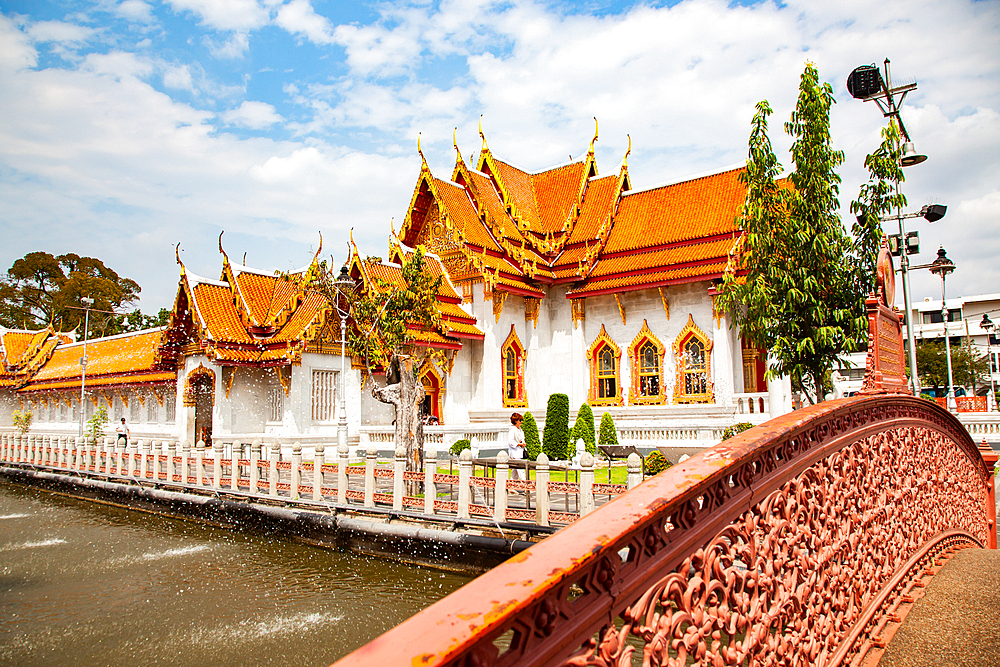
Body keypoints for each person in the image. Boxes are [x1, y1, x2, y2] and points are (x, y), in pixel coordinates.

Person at [507, 412, 526, 480]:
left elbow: (522, 439)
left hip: (520, 452)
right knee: (521, 471)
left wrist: (523, 443)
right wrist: (519, 444)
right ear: (515, 421)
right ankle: (525, 486)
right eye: (520, 420)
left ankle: (511, 486)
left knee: (515, 472)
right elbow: (511, 442)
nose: (521, 422)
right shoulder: (512, 430)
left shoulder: (520, 430)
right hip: (515, 453)